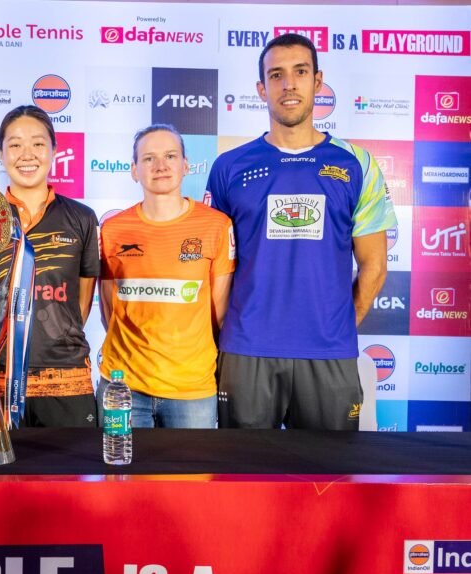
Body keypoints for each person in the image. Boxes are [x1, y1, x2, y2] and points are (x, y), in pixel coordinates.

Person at [205, 33, 395, 430]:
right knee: (241, 468)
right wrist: (232, 331)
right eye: (276, 75)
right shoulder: (229, 166)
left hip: (329, 353)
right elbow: (213, 267)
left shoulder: (356, 164)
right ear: (262, 89)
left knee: (329, 469)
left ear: (318, 81)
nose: (289, 84)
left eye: (301, 72)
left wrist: (336, 327)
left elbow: (375, 266)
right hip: (247, 351)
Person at [99, 124, 235, 428]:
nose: (160, 166)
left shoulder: (216, 225)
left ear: (186, 165)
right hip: (123, 386)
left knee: (189, 464)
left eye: (170, 156)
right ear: (134, 170)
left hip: (191, 390)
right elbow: (109, 309)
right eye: (149, 158)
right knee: (120, 462)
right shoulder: (113, 229)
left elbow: (219, 313)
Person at [0, 105, 100, 427]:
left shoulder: (82, 218)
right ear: (0, 152)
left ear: (54, 150)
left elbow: (81, 303)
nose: (27, 154)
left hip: (68, 378)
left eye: (38, 144)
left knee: (72, 462)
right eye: (15, 144)